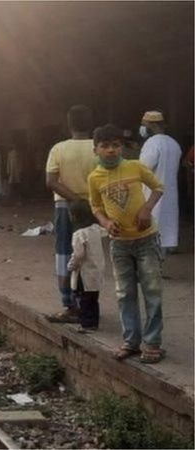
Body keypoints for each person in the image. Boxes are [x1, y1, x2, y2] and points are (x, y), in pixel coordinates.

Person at [88, 124, 165, 364]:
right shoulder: (95, 177)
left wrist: (146, 209)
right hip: (119, 244)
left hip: (146, 240)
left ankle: (152, 344)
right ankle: (131, 342)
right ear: (96, 150)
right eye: (105, 146)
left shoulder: (135, 167)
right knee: (124, 293)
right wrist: (105, 222)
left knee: (152, 291)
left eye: (116, 145)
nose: (111, 150)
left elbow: (158, 188)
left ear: (122, 147)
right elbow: (96, 207)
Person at [45, 105, 97, 323]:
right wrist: (86, 200)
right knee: (91, 256)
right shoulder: (98, 148)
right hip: (93, 208)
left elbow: (51, 181)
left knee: (65, 254)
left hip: (66, 207)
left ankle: (69, 304)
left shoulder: (59, 149)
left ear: (69, 124)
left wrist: (74, 199)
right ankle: (89, 305)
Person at [138, 111, 182, 254]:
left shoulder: (152, 143)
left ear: (152, 125)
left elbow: (144, 168)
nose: (142, 128)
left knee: (151, 231)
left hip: (152, 194)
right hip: (169, 192)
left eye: (144, 125)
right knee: (166, 228)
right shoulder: (173, 143)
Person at [66, 199, 105, 333]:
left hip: (84, 273)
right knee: (94, 299)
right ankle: (94, 322)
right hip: (97, 270)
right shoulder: (95, 229)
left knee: (84, 299)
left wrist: (70, 266)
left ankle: (87, 325)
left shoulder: (79, 234)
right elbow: (106, 232)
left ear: (74, 216)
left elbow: (78, 255)